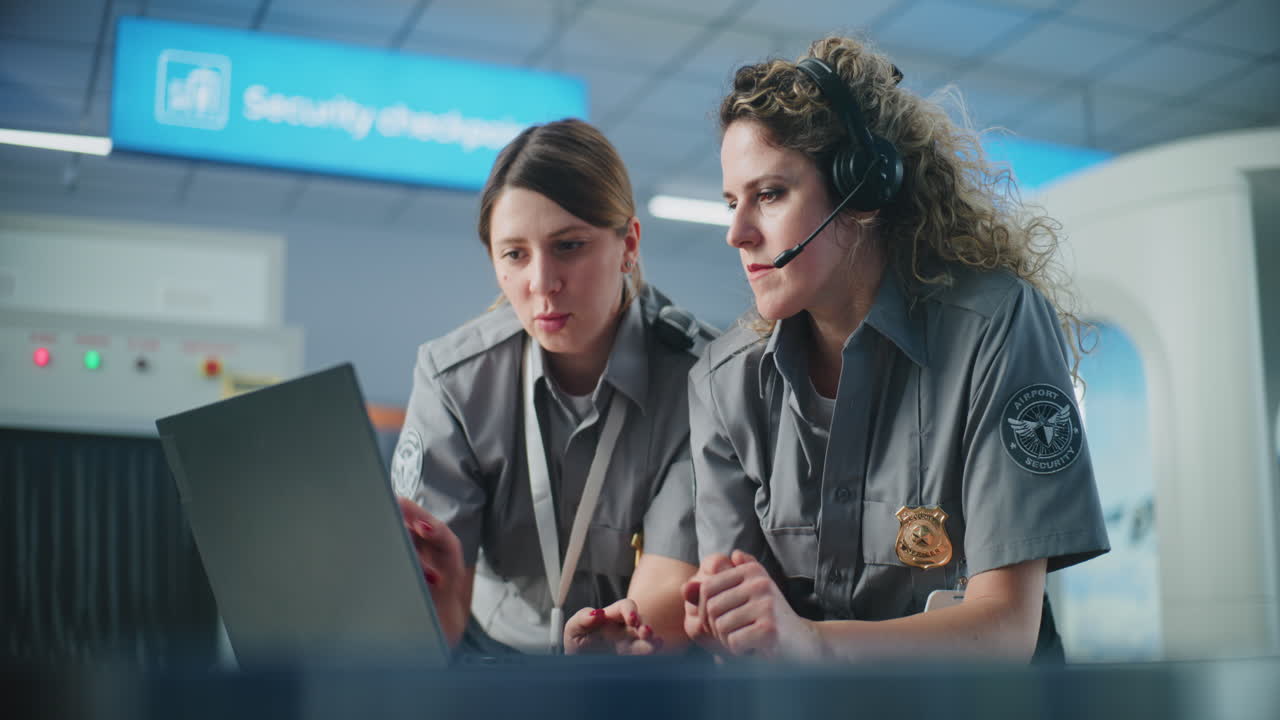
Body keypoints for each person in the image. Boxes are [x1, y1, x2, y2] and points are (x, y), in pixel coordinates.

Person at [683, 36, 1109, 663]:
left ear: (863, 190)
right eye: (731, 202)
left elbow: (1005, 633)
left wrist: (809, 642)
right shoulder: (723, 382)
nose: (736, 233)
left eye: (769, 194)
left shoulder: (993, 326)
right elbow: (740, 636)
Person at [391, 118, 713, 657]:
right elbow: (436, 609)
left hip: (640, 661)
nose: (542, 282)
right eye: (515, 254)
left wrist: (617, 639)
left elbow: (668, 582)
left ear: (628, 244)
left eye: (568, 246)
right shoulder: (455, 381)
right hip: (492, 656)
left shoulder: (702, 379)